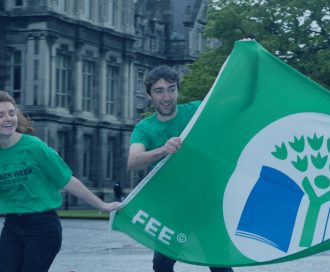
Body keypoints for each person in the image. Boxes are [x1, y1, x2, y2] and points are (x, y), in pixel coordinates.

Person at [0, 91, 121, 272]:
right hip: (12, 226)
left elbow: (67, 181)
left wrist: (102, 205)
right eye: (0, 115)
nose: (8, 119)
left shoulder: (34, 146)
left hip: (42, 227)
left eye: (11, 112)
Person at [127, 66, 233, 272]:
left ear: (178, 90)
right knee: (161, 266)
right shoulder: (145, 128)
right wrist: (162, 150)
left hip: (207, 204)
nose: (166, 97)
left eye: (171, 89)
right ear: (149, 95)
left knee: (220, 265)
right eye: (159, 91)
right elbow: (133, 162)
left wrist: (247, 58)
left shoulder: (195, 110)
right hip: (172, 209)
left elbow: (235, 101)